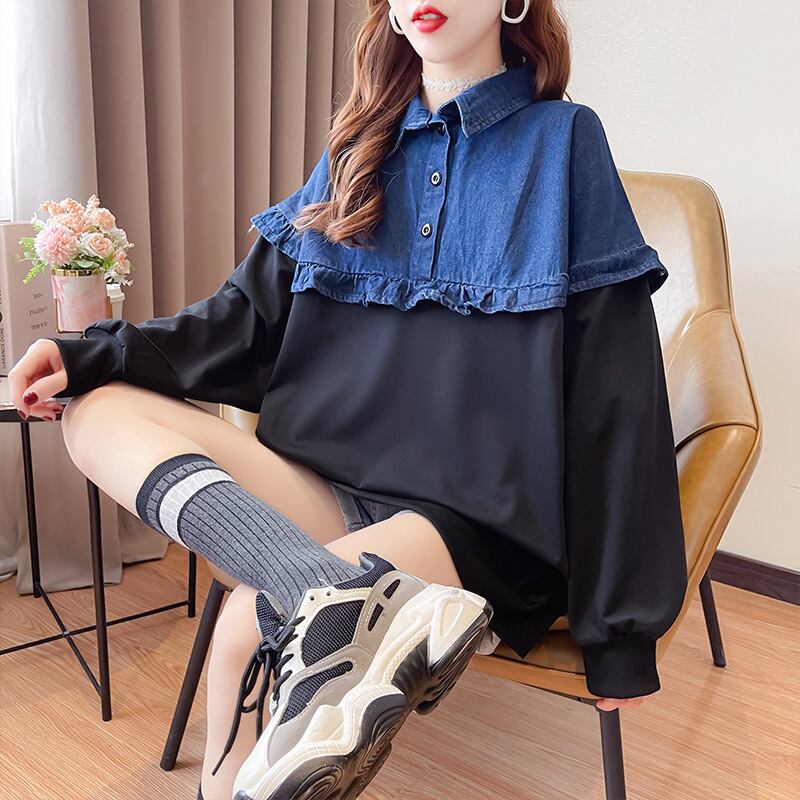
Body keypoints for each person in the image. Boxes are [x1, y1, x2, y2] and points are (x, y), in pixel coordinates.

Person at [8, 1, 688, 799]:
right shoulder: (356, 148)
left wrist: (621, 635)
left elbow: (616, 391)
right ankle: (322, 591)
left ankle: (323, 606)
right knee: (94, 411)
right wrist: (89, 356)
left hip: (476, 524)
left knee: (242, 628)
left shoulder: (564, 142)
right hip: (325, 490)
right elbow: (242, 323)